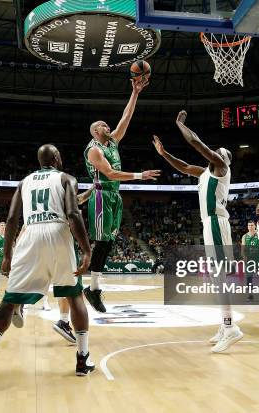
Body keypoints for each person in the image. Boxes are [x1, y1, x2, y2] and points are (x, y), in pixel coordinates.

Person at [0, 144, 94, 385]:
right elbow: (73, 214)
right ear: (55, 158)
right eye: (60, 155)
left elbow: (12, 218)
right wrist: (86, 249)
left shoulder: (24, 182)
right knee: (75, 296)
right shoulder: (67, 178)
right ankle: (83, 359)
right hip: (58, 232)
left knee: (9, 299)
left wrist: (8, 255)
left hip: (30, 233)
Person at [152, 110, 242, 353]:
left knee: (220, 277)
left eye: (216, 153)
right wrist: (164, 153)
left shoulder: (221, 167)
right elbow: (183, 167)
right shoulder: (205, 173)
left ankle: (231, 327)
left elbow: (196, 143)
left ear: (223, 159)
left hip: (215, 222)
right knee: (216, 278)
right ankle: (225, 326)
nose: (212, 155)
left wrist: (180, 123)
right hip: (208, 224)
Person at [83, 78, 160, 313]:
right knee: (102, 241)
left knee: (110, 242)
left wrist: (135, 92)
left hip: (115, 197)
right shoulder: (94, 149)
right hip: (101, 196)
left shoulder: (112, 143)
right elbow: (110, 173)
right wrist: (139, 175)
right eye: (105, 126)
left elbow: (126, 118)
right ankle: (92, 289)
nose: (109, 127)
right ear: (97, 131)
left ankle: (94, 289)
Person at [54, 185, 94, 344]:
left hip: (47, 244)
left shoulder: (51, 202)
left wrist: (93, 188)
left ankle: (19, 304)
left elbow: (82, 198)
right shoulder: (67, 205)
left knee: (61, 286)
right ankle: (64, 322)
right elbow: (80, 199)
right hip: (64, 247)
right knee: (73, 290)